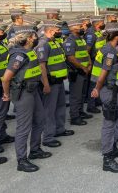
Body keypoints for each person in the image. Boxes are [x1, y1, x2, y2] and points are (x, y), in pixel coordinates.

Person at [2, 26, 52, 172]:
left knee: (40, 119)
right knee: (23, 127)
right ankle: (22, 160)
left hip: (33, 90)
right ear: (29, 38)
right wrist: (7, 94)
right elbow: (6, 79)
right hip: (23, 93)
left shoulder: (30, 52)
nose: (37, 38)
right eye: (35, 36)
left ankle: (35, 149)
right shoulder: (19, 55)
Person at [90, 22, 118, 173]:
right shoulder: (110, 52)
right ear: (117, 37)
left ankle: (113, 148)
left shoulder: (107, 48)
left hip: (110, 88)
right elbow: (103, 74)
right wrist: (97, 89)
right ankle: (107, 158)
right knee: (109, 121)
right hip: (106, 89)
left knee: (113, 117)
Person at [36, 20, 74, 149]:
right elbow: (42, 66)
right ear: (51, 31)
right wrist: (45, 84)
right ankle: (48, 137)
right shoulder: (43, 44)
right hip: (50, 83)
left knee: (60, 106)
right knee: (49, 111)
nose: (60, 32)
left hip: (59, 81)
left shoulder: (55, 42)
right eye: (58, 30)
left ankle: (59, 129)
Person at [63, 19, 92, 126]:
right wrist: (83, 67)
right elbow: (70, 58)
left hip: (84, 70)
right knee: (76, 95)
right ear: (73, 28)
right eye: (80, 26)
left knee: (82, 94)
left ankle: (80, 112)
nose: (83, 28)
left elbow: (85, 53)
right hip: (77, 71)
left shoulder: (81, 39)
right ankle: (75, 116)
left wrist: (89, 64)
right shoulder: (70, 41)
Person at [0, 21, 12, 165]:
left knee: (3, 110)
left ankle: (2, 134)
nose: (3, 34)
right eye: (1, 33)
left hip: (3, 81)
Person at [85, 15, 106, 114]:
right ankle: (91, 105)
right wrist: (89, 63)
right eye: (102, 22)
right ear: (97, 24)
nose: (103, 24)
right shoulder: (91, 34)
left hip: (99, 61)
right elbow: (87, 50)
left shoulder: (98, 32)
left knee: (99, 82)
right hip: (94, 62)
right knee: (93, 83)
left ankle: (97, 100)